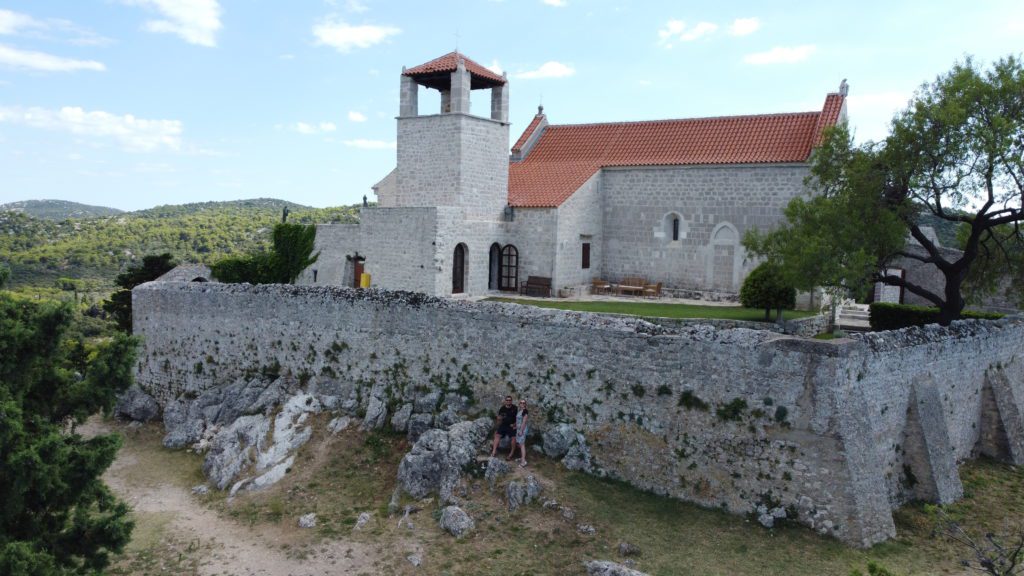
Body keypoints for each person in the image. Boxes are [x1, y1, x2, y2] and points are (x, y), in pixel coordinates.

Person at [514, 399, 530, 467]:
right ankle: (522, 458)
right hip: (518, 429)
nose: (522, 404)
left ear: (525, 404)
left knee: (522, 445)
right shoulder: (520, 411)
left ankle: (523, 462)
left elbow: (524, 422)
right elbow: (518, 421)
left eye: (524, 403)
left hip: (522, 430)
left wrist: (521, 431)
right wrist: (516, 427)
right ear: (519, 404)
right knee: (520, 444)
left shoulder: (525, 412)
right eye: (521, 403)